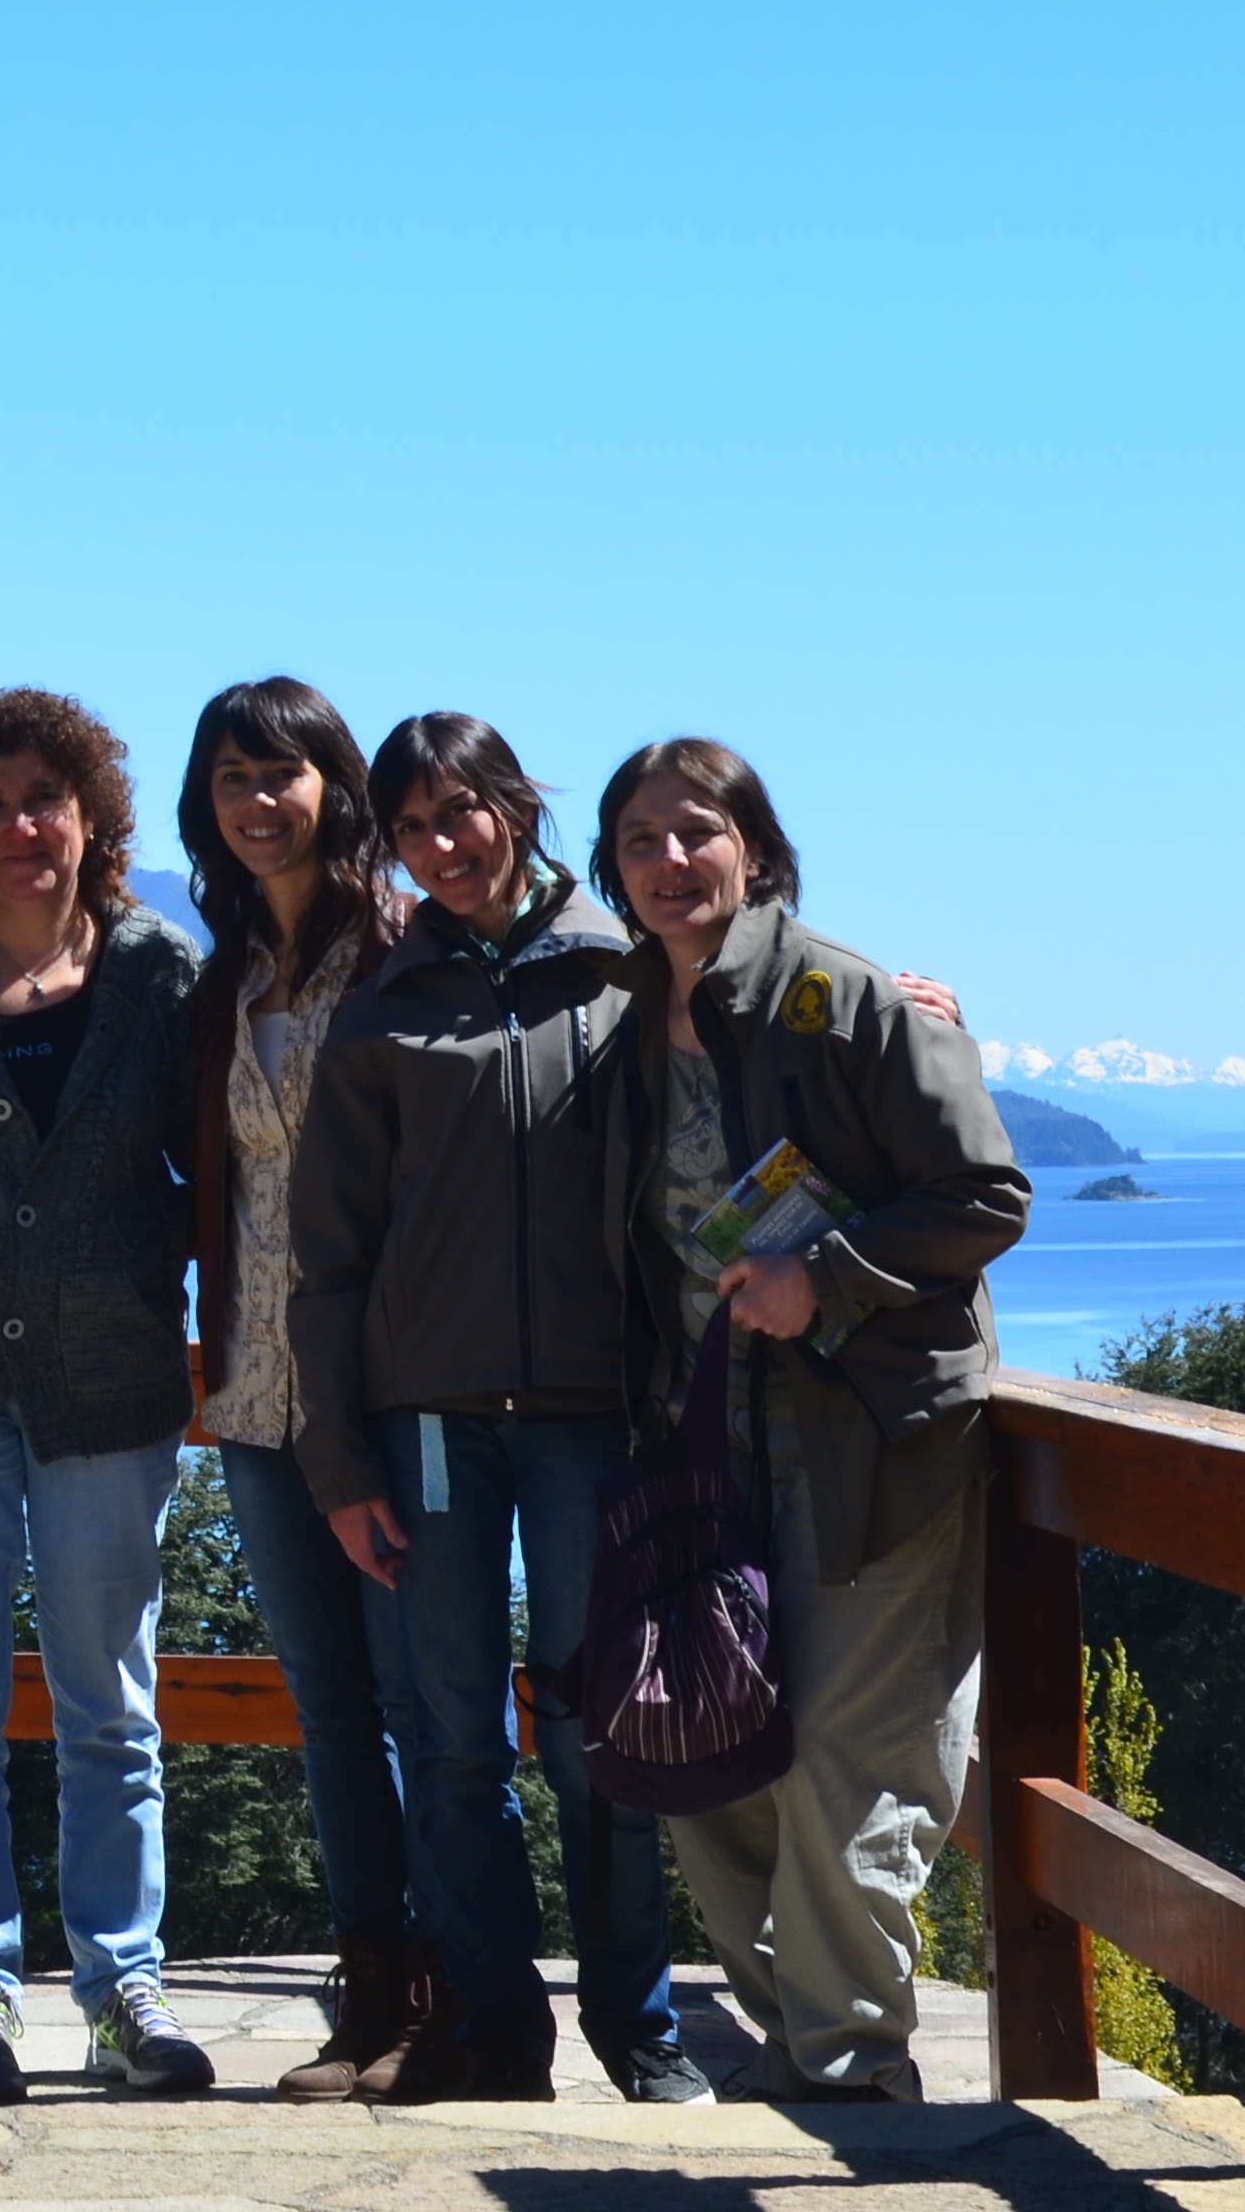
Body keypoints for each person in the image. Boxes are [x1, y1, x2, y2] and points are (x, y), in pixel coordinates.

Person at [595, 737, 1024, 2104]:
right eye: (640, 840)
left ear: (756, 849)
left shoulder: (844, 1001)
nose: (670, 861)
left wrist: (822, 1278)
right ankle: (797, 2037)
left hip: (873, 1441)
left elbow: (984, 1195)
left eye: (696, 832)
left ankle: (849, 2077)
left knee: (849, 1763)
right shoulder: (621, 1026)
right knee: (703, 1752)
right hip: (703, 1446)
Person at [284, 714, 705, 2106]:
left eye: (458, 812)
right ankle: (498, 2029)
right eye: (410, 828)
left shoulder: (625, 973)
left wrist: (903, 1004)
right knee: (455, 1743)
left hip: (591, 1418)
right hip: (430, 1426)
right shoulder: (384, 1006)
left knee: (599, 1738)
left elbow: (759, 1054)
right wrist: (339, 1461)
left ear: (517, 807)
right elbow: (328, 1257)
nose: (439, 846)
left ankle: (638, 2029)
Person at [0, 688, 213, 2102]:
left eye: (45, 800)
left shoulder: (161, 973)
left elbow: (220, 1164)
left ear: (92, 818)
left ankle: (124, 1986)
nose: (22, 827)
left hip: (110, 1385)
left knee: (111, 1709)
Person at [164, 677, 438, 2103]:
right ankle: (370, 1992)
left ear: (335, 785)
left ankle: (453, 1993)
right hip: (254, 1391)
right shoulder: (226, 975)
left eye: (281, 774)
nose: (257, 802)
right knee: (329, 1710)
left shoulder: (405, 951)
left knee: (425, 1699)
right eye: (231, 779)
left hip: (390, 1393)